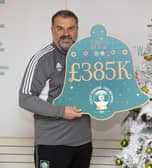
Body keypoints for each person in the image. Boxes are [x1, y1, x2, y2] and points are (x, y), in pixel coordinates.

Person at [19, 10, 92, 168]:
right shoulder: (42, 59)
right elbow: (25, 98)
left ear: (77, 30)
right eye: (60, 28)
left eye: (71, 28)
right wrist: (61, 112)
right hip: (51, 145)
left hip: (83, 143)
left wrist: (124, 80)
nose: (66, 34)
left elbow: (100, 90)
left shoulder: (87, 59)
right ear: (52, 30)